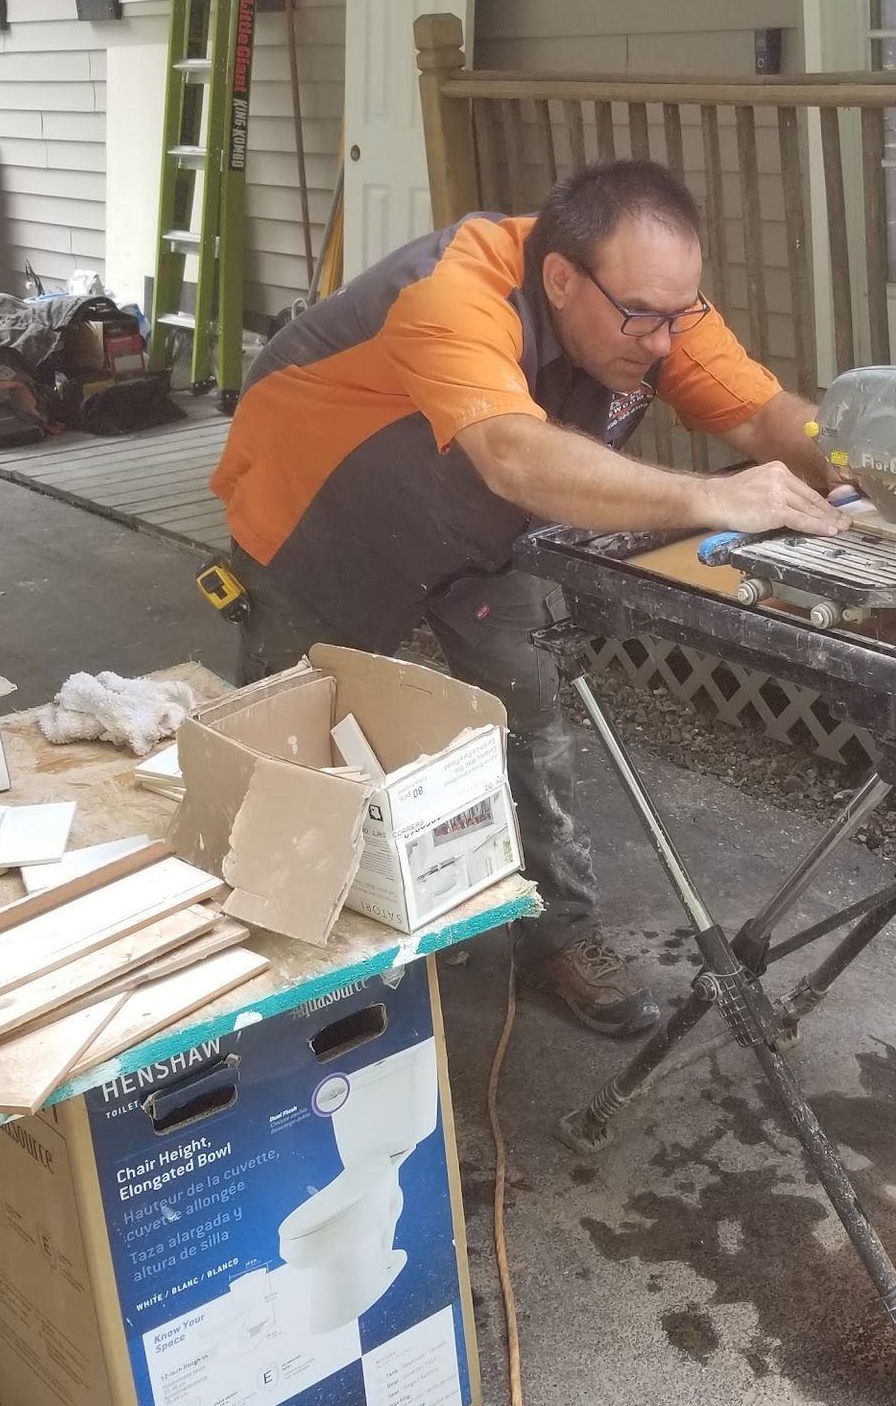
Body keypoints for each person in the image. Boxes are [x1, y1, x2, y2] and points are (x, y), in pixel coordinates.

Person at [210, 159, 847, 1036]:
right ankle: (282, 961)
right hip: (318, 523)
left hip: (485, 530)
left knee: (530, 714)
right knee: (298, 748)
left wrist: (877, 467)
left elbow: (761, 415)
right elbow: (512, 452)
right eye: (643, 318)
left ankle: (555, 936)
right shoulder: (452, 291)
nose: (663, 342)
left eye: (679, 315)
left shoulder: (650, 307)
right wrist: (712, 497)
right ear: (559, 278)